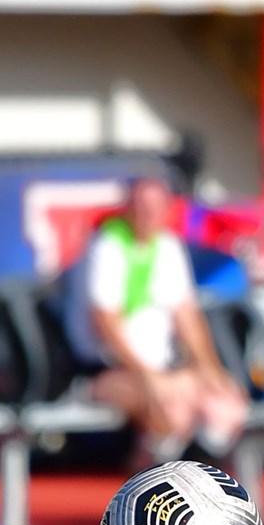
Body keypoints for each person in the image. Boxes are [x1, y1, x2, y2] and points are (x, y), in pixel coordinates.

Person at [64, 176, 250, 466]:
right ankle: (140, 495)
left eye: (155, 206)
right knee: (170, 407)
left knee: (225, 405)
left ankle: (195, 479)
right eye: (141, 206)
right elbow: (105, 320)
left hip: (164, 369)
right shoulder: (106, 246)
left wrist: (209, 369)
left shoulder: (167, 246)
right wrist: (149, 376)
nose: (148, 214)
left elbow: (186, 315)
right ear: (127, 208)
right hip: (107, 371)